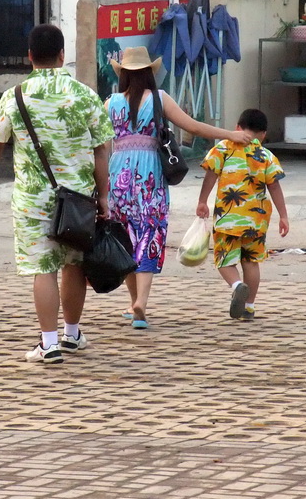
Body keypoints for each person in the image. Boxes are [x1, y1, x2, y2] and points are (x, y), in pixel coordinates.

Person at [0, 24, 115, 364]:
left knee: (43, 268)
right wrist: (103, 195)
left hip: (33, 200)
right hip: (78, 199)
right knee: (73, 265)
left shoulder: (15, 96)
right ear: (62, 55)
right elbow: (102, 149)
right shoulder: (84, 95)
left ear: (29, 57)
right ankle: (72, 334)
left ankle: (48, 342)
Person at [106, 46, 248, 329]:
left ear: (123, 75)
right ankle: (140, 304)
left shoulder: (110, 103)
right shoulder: (158, 98)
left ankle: (132, 301)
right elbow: (193, 127)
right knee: (149, 233)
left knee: (124, 237)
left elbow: (97, 142)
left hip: (118, 175)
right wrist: (229, 135)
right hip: (150, 176)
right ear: (149, 73)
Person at [196, 108, 289, 321]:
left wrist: (202, 201)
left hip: (227, 217)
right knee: (251, 262)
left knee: (224, 259)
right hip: (256, 220)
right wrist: (283, 216)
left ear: (237, 128)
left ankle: (237, 285)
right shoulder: (266, 156)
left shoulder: (222, 149)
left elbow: (210, 175)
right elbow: (275, 187)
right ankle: (249, 306)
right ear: (263, 134)